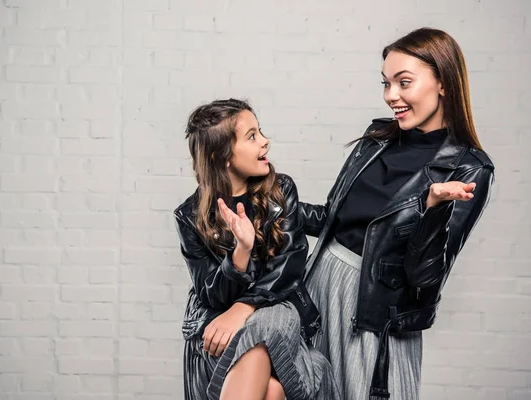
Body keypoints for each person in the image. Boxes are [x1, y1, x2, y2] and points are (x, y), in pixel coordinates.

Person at [300, 27, 495, 400]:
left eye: (404, 82)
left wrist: (432, 211)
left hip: (374, 313)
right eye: (386, 83)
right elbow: (334, 220)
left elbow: (424, 279)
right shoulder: (377, 138)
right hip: (320, 284)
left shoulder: (468, 169)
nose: (392, 96)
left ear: (443, 83)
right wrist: (275, 202)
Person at [174, 98, 333, 400]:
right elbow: (211, 295)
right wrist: (241, 251)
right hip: (220, 329)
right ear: (222, 156)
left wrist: (243, 308)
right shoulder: (189, 216)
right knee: (272, 392)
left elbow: (287, 266)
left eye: (260, 131)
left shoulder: (280, 190)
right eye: (251, 136)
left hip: (275, 315)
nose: (265, 141)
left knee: (263, 327)